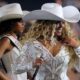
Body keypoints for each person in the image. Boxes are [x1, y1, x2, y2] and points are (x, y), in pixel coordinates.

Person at [15, 3, 80, 80]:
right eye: (57, 22)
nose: (61, 25)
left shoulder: (67, 44)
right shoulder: (31, 44)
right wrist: (32, 64)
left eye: (63, 22)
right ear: (46, 24)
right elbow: (17, 69)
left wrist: (77, 46)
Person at [0, 3, 29, 80]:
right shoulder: (6, 40)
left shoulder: (16, 40)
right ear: (12, 23)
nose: (24, 24)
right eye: (20, 22)